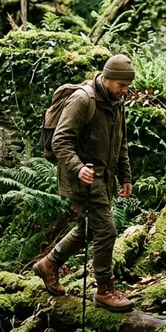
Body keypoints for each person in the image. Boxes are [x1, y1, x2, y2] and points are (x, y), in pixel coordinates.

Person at [33, 54, 136, 312]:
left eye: (127, 85)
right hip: (82, 179)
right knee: (106, 230)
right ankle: (104, 290)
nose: (126, 90)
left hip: (103, 178)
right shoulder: (83, 100)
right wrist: (78, 168)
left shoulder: (116, 102)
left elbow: (120, 143)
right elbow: (60, 141)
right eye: (121, 85)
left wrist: (125, 176)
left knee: (88, 228)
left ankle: (49, 263)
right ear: (107, 77)